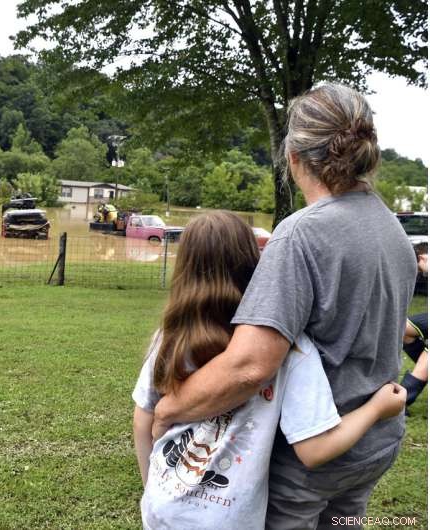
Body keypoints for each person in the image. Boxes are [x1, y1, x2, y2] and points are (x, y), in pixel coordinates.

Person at [150, 83, 417, 529]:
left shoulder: (300, 235)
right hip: (374, 445)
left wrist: (169, 408)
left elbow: (249, 366)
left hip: (312, 458)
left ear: (293, 157)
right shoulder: (391, 229)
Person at [132, 211, 406, 529]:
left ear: (184, 268)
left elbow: (142, 422)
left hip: (162, 507)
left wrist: (151, 489)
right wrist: (376, 408)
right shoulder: (290, 348)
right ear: (256, 263)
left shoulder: (169, 338)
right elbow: (314, 449)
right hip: (231, 520)